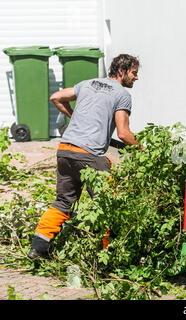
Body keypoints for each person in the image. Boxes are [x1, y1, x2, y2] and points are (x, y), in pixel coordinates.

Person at [27, 54, 141, 259]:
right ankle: (110, 253)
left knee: (63, 201)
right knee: (107, 204)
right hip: (90, 156)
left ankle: (38, 248)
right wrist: (142, 148)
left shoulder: (87, 84)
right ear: (122, 71)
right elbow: (124, 133)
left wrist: (74, 116)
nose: (136, 78)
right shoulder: (122, 94)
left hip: (65, 150)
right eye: (134, 73)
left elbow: (56, 97)